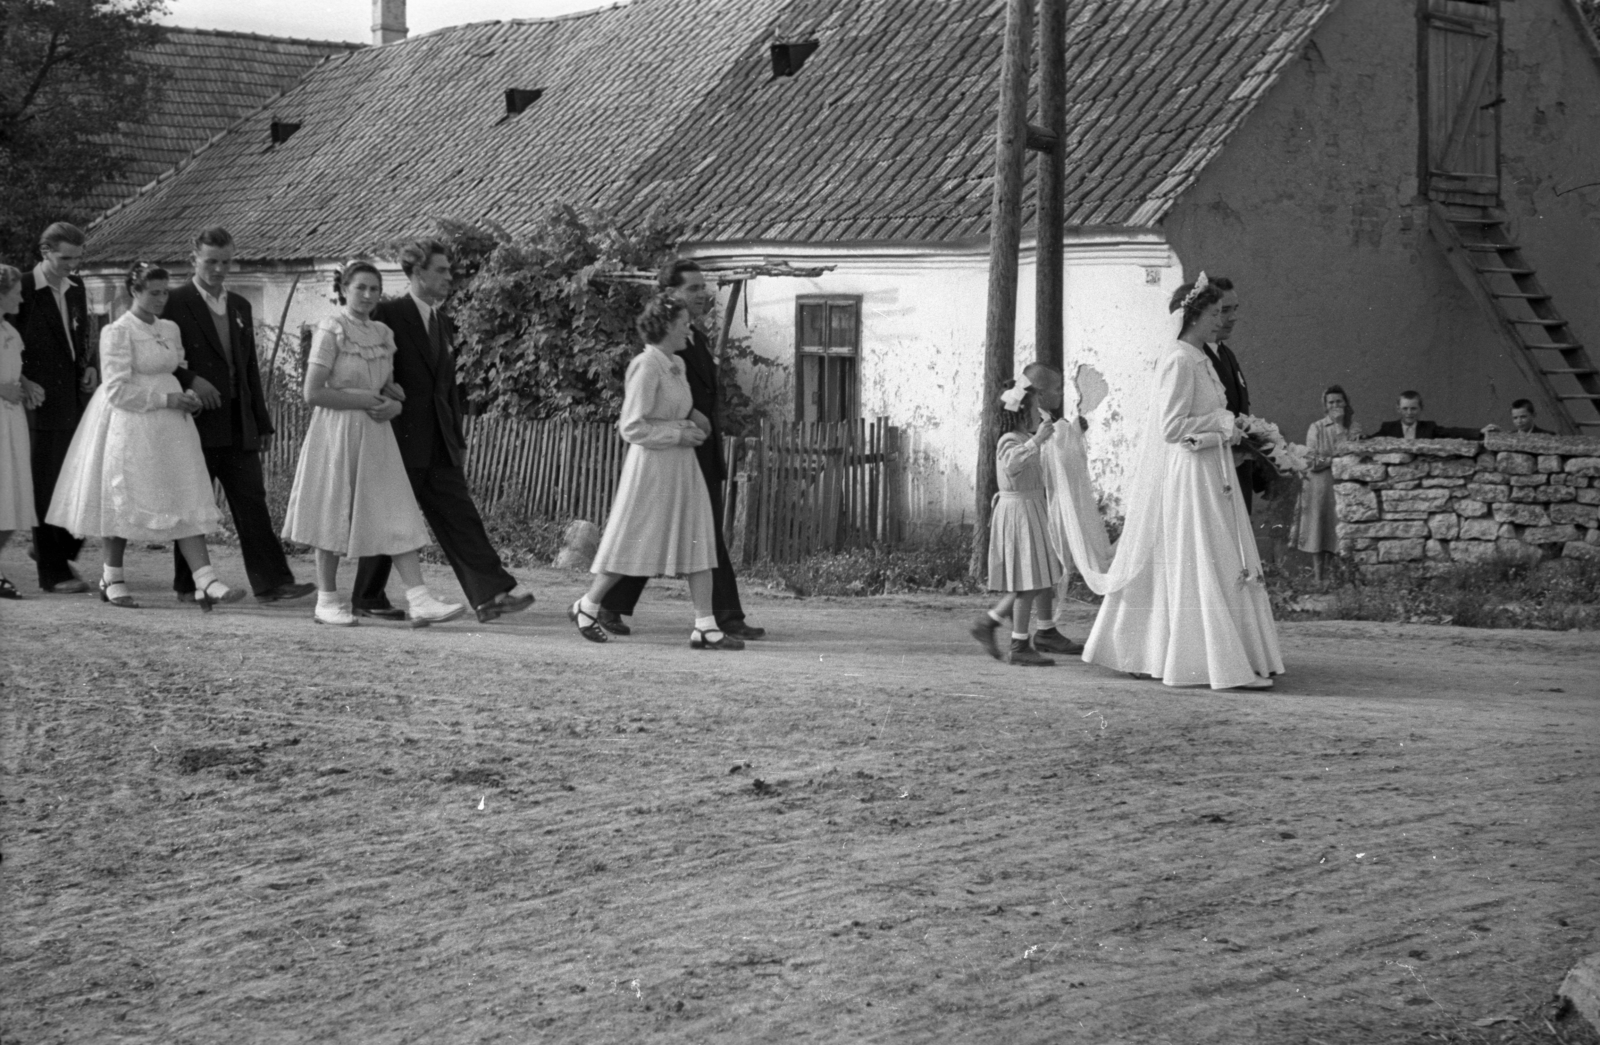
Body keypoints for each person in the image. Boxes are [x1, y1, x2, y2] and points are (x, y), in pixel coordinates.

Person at [1080, 274, 1283, 690]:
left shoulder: (1200, 358)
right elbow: (1171, 428)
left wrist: (1229, 431)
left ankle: (1213, 654)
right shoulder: (1178, 359)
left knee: (1217, 556)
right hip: (1191, 475)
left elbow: (1200, 420)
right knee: (1202, 557)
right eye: (1216, 313)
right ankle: (1211, 661)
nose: (1222, 320)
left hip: (1210, 471)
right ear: (1194, 316)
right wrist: (1222, 425)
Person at [351, 239, 533, 623]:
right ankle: (367, 596)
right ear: (418, 272)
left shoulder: (442, 322)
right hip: (397, 438)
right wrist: (379, 395)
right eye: (442, 270)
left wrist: (457, 438)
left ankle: (491, 594)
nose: (450, 277)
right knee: (392, 518)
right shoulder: (388, 314)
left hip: (438, 441)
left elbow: (447, 390)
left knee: (459, 516)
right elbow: (365, 364)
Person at [45, 263, 244, 610]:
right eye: (154, 292)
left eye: (165, 292)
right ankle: (112, 577)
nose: (161, 299)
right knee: (126, 497)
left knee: (183, 492)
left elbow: (175, 370)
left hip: (171, 427)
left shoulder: (169, 328)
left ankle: (206, 580)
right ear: (134, 291)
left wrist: (187, 398)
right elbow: (116, 390)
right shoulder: (118, 331)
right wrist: (166, 399)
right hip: (131, 424)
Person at [281, 261, 465, 627]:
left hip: (376, 433)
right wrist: (367, 400)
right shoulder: (331, 328)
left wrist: (395, 405)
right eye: (360, 288)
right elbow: (313, 393)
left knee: (395, 509)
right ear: (344, 289)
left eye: (374, 289)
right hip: (336, 432)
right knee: (332, 510)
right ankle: (327, 601)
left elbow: (389, 388)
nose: (367, 295)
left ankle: (419, 599)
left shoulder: (382, 333)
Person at [596, 260, 764, 640]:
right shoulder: (667, 344)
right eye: (693, 288)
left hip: (697, 445)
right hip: (676, 445)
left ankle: (715, 615)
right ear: (669, 294)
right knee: (671, 531)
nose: (703, 294)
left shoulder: (694, 337)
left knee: (696, 533)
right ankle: (718, 617)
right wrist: (688, 417)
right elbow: (660, 395)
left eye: (704, 287)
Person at [570, 295, 741, 651]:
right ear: (666, 326)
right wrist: (678, 433)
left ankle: (705, 625)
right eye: (684, 324)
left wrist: (689, 424)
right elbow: (631, 427)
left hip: (682, 466)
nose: (689, 330)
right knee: (636, 539)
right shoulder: (646, 365)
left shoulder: (675, 364)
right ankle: (588, 605)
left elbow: (673, 409)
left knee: (698, 536)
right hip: (651, 469)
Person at [163, 227, 315, 604]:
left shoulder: (240, 306)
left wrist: (261, 423)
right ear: (193, 259)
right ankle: (188, 585)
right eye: (211, 261)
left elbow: (249, 370)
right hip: (194, 420)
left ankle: (273, 583)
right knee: (192, 503)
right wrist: (190, 379)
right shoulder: (173, 303)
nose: (219, 269)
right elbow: (158, 359)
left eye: (226, 262)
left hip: (238, 421)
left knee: (252, 500)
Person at [970, 363, 1085, 663]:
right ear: (1023, 413)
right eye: (1034, 411)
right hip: (1018, 512)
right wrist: (1037, 441)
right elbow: (1012, 465)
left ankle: (1041, 630)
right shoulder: (1011, 439)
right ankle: (1018, 644)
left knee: (1043, 572)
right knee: (1029, 581)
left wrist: (1072, 435)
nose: (1039, 416)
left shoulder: (1027, 437)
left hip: (1032, 508)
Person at [16, 222, 96, 593]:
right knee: (47, 485)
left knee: (79, 479)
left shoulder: (76, 287)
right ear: (45, 251)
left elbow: (81, 336)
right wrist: (21, 381)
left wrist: (89, 365)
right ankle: (53, 573)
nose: (73, 266)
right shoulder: (21, 288)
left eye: (77, 259)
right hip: (36, 402)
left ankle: (52, 549)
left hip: (75, 400)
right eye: (66, 258)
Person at [1197, 276, 1267, 513]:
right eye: (1225, 310)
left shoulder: (1227, 354)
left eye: (1235, 309)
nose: (1233, 317)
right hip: (1216, 478)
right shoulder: (1196, 358)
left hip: (1238, 474)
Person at [0, 264, 45, 599]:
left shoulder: (9, 331)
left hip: (11, 422)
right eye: (16, 291)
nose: (21, 297)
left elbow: (10, 369)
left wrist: (25, 383)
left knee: (12, 498)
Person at [1294, 385, 1362, 583]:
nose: (1335, 405)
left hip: (1342, 486)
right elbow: (1312, 461)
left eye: (1339, 401)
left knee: (1337, 530)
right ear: (1325, 405)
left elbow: (1353, 455)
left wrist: (1340, 426)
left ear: (1346, 403)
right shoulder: (1316, 428)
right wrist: (1335, 460)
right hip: (1319, 486)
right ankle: (1318, 579)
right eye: (1331, 402)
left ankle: (1335, 579)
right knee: (1318, 530)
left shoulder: (1354, 427)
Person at [1371, 392, 1484, 440]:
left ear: (1421, 409)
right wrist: (1363, 437)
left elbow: (1452, 432)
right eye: (1405, 408)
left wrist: (1479, 432)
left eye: (1413, 408)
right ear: (1398, 409)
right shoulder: (1388, 428)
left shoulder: (1429, 427)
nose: (1409, 413)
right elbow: (1372, 439)